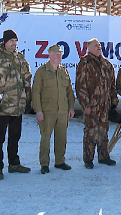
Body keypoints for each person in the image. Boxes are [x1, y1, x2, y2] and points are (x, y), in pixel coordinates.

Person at [0, 29, 32, 180]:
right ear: (5, 41)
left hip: (17, 106)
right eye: (11, 41)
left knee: (15, 137)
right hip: (3, 106)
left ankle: (14, 164)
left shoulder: (20, 58)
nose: (14, 44)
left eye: (15, 42)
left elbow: (27, 79)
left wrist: (28, 100)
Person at [75, 38, 119, 169]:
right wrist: (85, 105)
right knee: (91, 132)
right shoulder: (85, 63)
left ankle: (103, 156)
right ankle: (88, 159)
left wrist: (114, 101)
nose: (98, 47)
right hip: (92, 105)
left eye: (99, 45)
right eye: (95, 45)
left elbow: (112, 85)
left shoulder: (107, 64)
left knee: (103, 131)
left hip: (105, 105)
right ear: (89, 48)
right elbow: (80, 86)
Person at [32, 45, 75, 174]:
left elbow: (69, 92)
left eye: (60, 54)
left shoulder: (64, 71)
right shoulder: (41, 71)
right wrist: (38, 110)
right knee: (45, 138)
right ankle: (44, 164)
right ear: (49, 55)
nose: (58, 56)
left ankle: (60, 161)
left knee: (61, 137)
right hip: (47, 111)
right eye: (56, 54)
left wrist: (71, 108)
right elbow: (36, 92)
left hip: (62, 111)